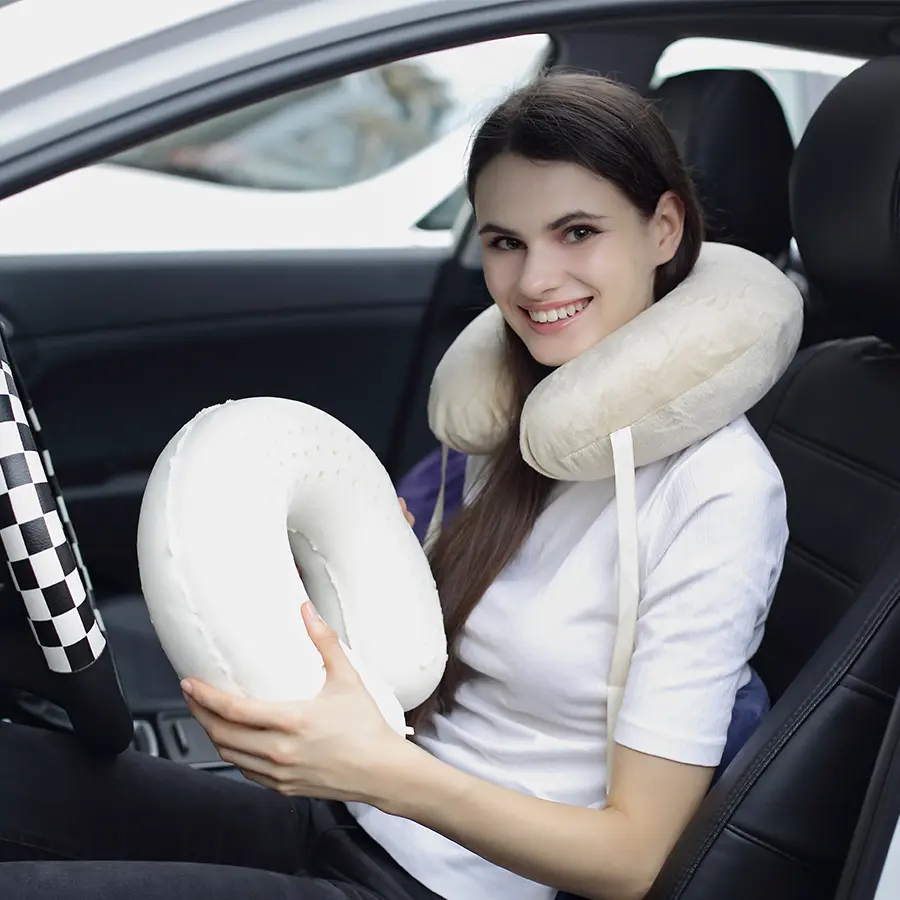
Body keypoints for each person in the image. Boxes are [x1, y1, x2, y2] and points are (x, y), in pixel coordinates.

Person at [0, 71, 788, 900]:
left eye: (578, 232)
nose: (534, 282)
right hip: (345, 812)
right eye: (505, 242)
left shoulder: (720, 490)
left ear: (664, 228)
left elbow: (635, 860)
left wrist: (377, 770)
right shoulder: (521, 416)